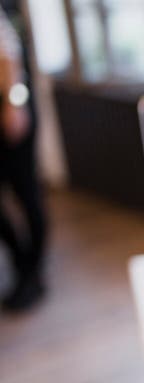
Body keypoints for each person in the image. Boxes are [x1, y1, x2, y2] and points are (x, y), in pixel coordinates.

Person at [0, 2, 45, 312]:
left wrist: (14, 103)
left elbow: (9, 53)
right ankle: (23, 267)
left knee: (26, 192)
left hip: (10, 110)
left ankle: (33, 273)